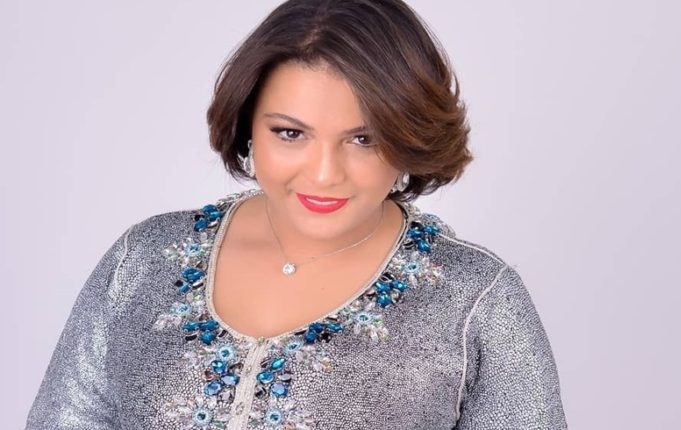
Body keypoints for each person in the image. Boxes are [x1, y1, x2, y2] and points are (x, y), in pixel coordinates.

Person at [26, 0, 567, 429]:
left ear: (410, 138)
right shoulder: (143, 261)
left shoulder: (476, 300)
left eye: (364, 139)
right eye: (290, 133)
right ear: (247, 125)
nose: (325, 173)